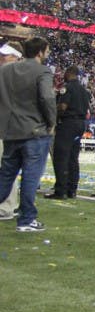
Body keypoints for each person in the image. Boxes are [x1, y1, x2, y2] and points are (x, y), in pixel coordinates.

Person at [0, 36, 57, 232]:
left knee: (6, 176)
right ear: (40, 52)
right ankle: (26, 220)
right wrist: (51, 122)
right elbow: (47, 97)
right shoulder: (42, 71)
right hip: (34, 131)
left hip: (10, 131)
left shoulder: (5, 70)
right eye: (47, 51)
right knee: (31, 177)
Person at [46, 65, 91, 199]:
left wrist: (54, 117)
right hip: (80, 124)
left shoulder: (68, 88)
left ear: (69, 73)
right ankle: (72, 189)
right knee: (73, 157)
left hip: (68, 124)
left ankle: (61, 190)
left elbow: (62, 106)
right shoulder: (84, 90)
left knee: (61, 157)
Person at [0, 41, 24, 220]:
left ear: (16, 57)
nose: (2, 57)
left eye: (6, 55)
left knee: (6, 168)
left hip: (8, 128)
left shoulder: (16, 76)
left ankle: (6, 206)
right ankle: (9, 204)